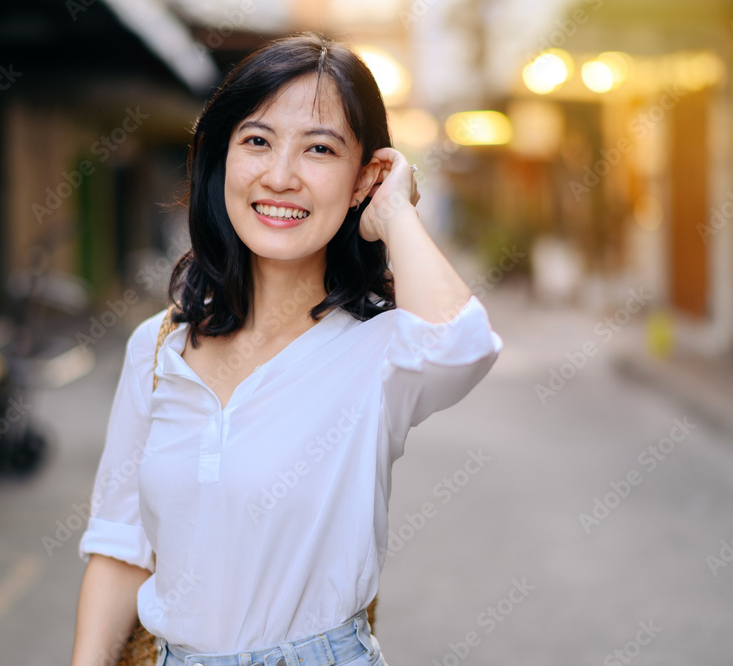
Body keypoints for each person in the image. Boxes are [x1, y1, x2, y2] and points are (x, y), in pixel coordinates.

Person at [71, 32, 503, 666]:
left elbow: (463, 344)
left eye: (320, 149)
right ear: (223, 157)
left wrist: (397, 213)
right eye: (257, 140)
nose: (280, 176)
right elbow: (119, 547)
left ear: (363, 178)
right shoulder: (158, 346)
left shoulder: (377, 348)